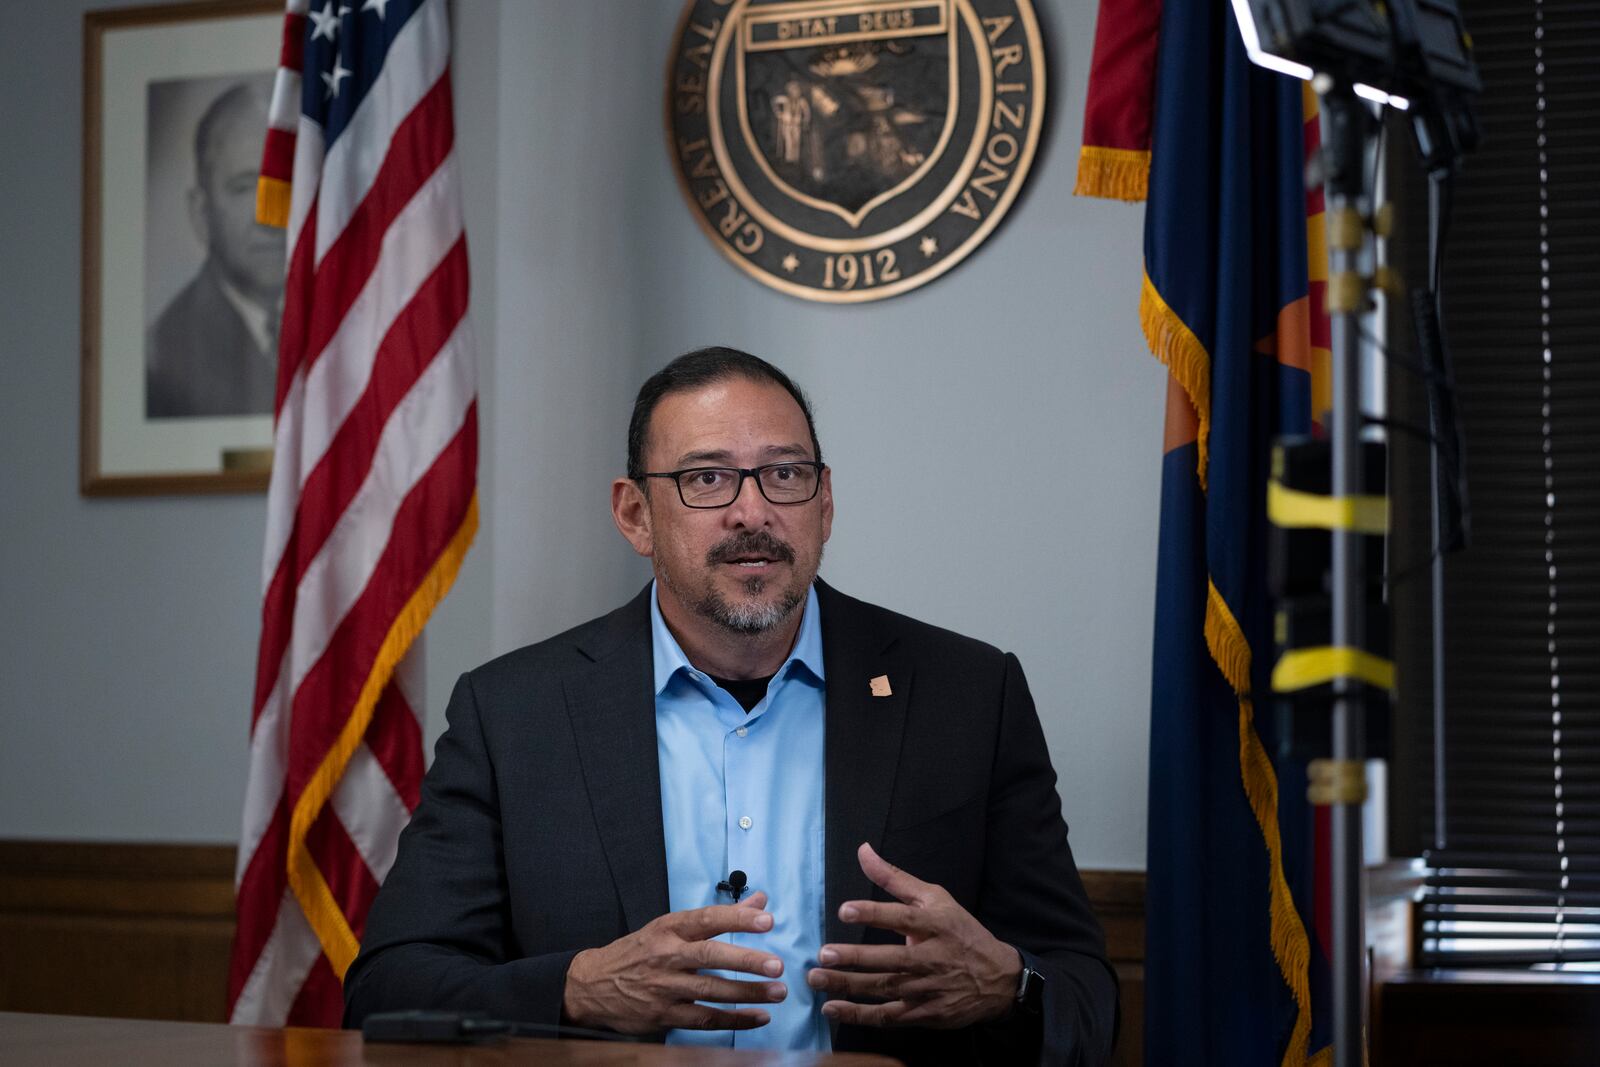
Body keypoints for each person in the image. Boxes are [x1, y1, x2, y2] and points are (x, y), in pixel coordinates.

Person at [345, 348, 1117, 1064]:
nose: (753, 512)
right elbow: (388, 989)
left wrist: (1008, 983)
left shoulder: (968, 695)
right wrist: (579, 988)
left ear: (825, 503)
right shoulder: (513, 713)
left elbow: (1087, 994)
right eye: (707, 479)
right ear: (634, 515)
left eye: (785, 474)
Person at [146, 81, 284, 419]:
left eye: (283, 182)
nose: (268, 217)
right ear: (201, 213)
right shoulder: (162, 358)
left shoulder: (354, 323)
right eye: (242, 187)